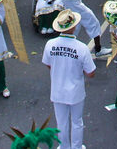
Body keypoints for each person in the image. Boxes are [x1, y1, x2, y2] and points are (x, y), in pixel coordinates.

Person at [42, 10, 96, 149]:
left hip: (57, 90)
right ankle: (76, 147)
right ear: (73, 27)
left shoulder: (50, 44)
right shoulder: (82, 48)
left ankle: (63, 147)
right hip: (75, 92)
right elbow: (91, 73)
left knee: (61, 123)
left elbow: (48, 64)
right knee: (77, 122)